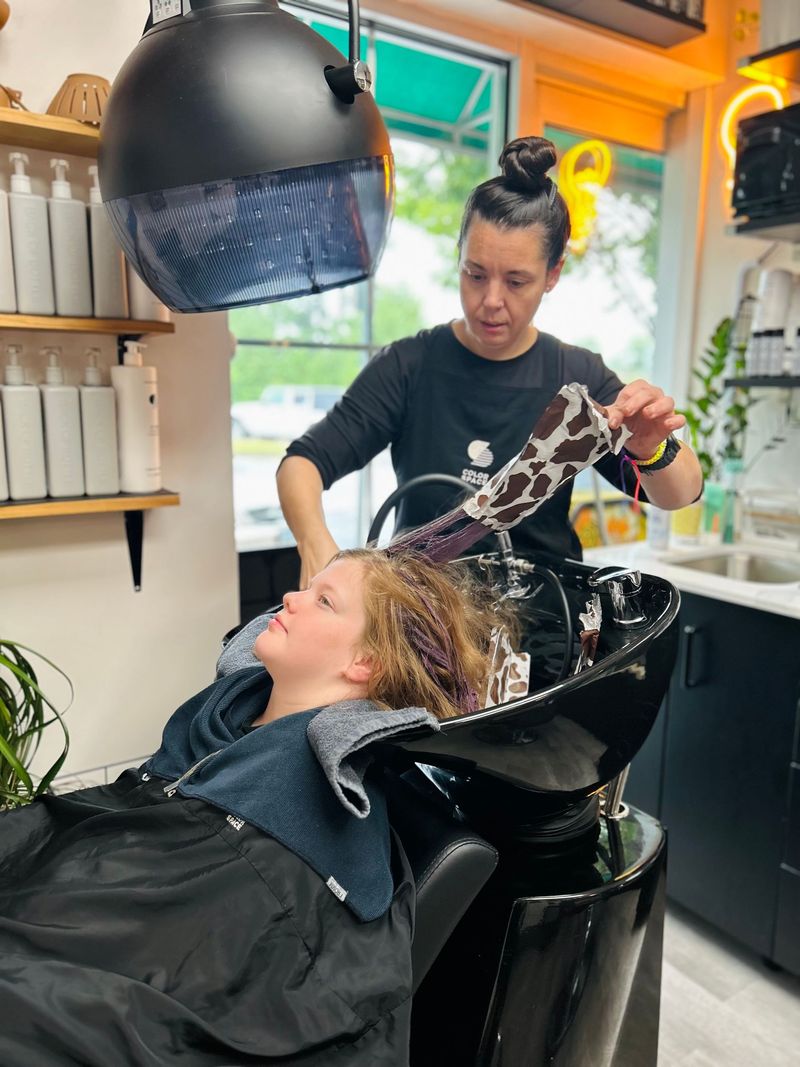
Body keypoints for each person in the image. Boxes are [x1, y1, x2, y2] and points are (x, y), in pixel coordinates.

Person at [0, 549, 497, 1066]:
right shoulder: (229, 714)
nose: (290, 597)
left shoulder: (316, 795)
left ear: (364, 663)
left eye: (323, 601)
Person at [278, 134, 704, 588]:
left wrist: (651, 448)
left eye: (517, 281)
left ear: (552, 275)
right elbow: (302, 463)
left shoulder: (575, 376)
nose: (490, 301)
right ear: (458, 257)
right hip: (424, 623)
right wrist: (314, 543)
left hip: (544, 628)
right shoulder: (410, 366)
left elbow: (683, 492)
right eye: (475, 275)